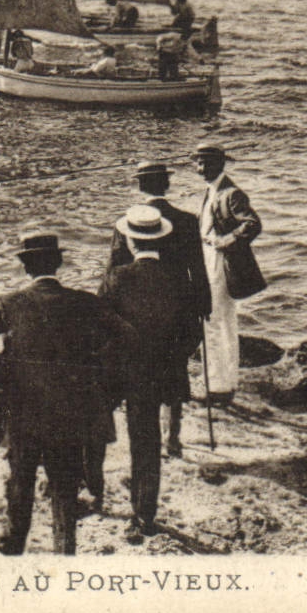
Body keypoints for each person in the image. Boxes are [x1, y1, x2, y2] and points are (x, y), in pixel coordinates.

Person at [0, 232, 134, 556]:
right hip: (71, 410)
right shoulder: (85, 303)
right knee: (65, 483)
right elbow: (126, 337)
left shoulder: (9, 303)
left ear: (26, 267)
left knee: (20, 480)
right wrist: (96, 371)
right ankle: (65, 548)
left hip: (23, 410)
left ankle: (14, 545)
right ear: (59, 264)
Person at [100, 206, 200, 539]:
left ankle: (95, 491)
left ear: (130, 242)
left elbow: (101, 327)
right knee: (149, 442)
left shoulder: (117, 278)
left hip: (126, 373)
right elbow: (193, 332)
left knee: (105, 425)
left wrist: (119, 360)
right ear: (160, 239)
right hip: (165, 372)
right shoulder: (178, 280)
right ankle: (145, 514)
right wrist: (171, 358)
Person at [106, 162, 211, 456]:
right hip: (177, 306)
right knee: (175, 366)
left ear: (140, 186)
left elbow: (113, 269)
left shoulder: (125, 223)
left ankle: (142, 435)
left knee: (139, 368)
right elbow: (198, 270)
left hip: (134, 307)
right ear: (166, 185)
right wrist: (204, 305)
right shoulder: (188, 220)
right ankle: (173, 438)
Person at [194, 143, 265, 406]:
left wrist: (225, 241)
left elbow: (253, 224)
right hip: (210, 262)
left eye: (206, 163)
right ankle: (224, 383)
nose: (201, 168)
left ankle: (219, 388)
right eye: (198, 163)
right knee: (220, 322)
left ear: (220, 164)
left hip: (221, 265)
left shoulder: (231, 193)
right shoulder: (212, 191)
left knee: (216, 323)